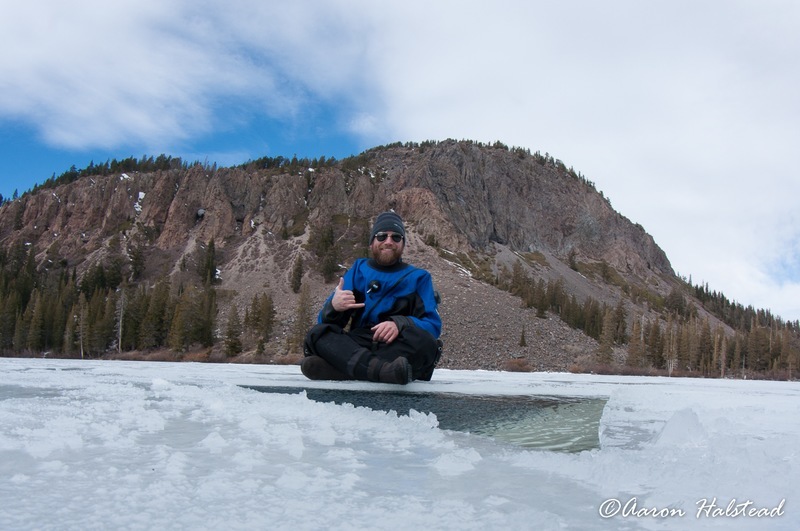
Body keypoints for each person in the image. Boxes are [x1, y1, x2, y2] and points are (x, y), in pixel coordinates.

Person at [302, 211, 442, 384]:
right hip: (360, 343)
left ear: (403, 244)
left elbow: (433, 326)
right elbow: (325, 321)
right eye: (382, 236)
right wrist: (334, 306)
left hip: (395, 344)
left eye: (396, 237)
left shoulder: (419, 277)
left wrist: (399, 323)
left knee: (427, 343)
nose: (389, 241)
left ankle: (346, 369)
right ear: (372, 242)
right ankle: (384, 371)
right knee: (317, 334)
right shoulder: (358, 270)